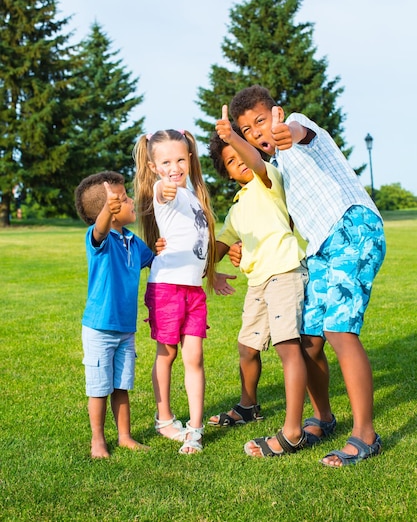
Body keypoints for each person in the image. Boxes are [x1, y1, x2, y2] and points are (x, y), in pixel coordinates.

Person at [229, 85, 386, 466]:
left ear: (277, 113)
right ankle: (323, 418)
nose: (258, 132)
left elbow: (299, 133)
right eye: (248, 130)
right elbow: (257, 166)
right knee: (310, 338)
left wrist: (287, 133)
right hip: (319, 246)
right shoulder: (275, 170)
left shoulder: (297, 125)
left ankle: (365, 434)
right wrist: (232, 137)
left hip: (353, 225)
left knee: (339, 331)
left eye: (261, 121)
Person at [208, 107, 311, 458]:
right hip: (258, 283)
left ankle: (292, 430)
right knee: (247, 348)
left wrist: (233, 137)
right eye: (230, 159)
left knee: (287, 348)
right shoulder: (236, 208)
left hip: (284, 273)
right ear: (225, 171)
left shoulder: (269, 180)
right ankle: (249, 405)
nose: (238, 158)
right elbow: (218, 247)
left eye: (240, 152)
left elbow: (255, 161)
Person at [133, 129, 234, 454]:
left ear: (190, 158)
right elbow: (163, 192)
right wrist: (165, 184)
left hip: (193, 291)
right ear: (153, 166)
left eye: (179, 159)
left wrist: (212, 274)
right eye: (165, 161)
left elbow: (198, 244)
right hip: (166, 289)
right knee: (168, 354)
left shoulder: (193, 196)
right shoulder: (164, 191)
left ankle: (195, 428)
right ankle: (164, 420)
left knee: (195, 357)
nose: (174, 166)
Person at [75, 171, 154, 459]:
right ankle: (98, 440)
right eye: (124, 198)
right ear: (110, 210)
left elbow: (154, 262)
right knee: (99, 388)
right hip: (99, 328)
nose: (131, 200)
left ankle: (124, 437)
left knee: (122, 385)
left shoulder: (133, 241)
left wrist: (160, 250)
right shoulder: (100, 239)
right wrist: (109, 208)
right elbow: (100, 229)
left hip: (125, 328)